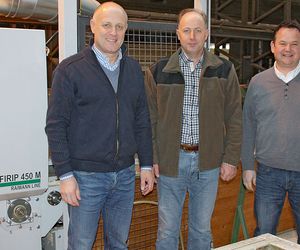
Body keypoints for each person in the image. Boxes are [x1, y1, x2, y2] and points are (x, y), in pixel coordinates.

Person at [45, 2, 155, 249]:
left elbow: (142, 120)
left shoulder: (134, 70)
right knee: (82, 244)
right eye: (106, 25)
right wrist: (65, 175)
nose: (113, 32)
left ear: (126, 30)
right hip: (86, 177)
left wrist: (146, 164)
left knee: (118, 242)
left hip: (125, 175)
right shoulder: (70, 70)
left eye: (119, 27)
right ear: (93, 26)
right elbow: (55, 125)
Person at [145, 8, 242, 250]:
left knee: (201, 230)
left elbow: (234, 118)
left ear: (206, 34)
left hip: (207, 164)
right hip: (170, 164)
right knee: (167, 231)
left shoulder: (223, 70)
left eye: (198, 30)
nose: (192, 36)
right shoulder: (158, 72)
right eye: (186, 30)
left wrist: (230, 159)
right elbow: (149, 121)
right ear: (178, 33)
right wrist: (153, 158)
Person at [241, 20, 300, 242]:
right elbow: (248, 127)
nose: (288, 49)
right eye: (283, 43)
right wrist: (248, 166)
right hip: (268, 174)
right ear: (273, 46)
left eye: (294, 44)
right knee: (264, 236)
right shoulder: (258, 83)